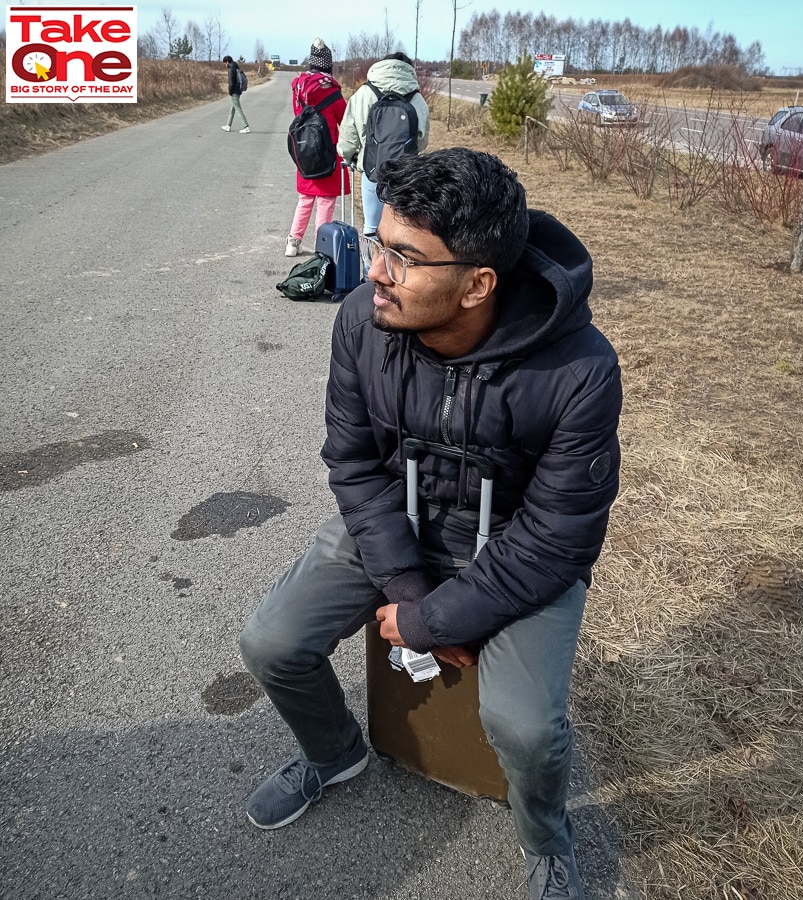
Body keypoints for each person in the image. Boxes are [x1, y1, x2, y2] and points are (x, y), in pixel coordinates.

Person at [239, 147, 622, 900]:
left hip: (515, 552)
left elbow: (558, 536)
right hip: (399, 530)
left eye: (405, 259)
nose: (376, 270)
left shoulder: (580, 370)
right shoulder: (362, 320)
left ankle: (546, 841)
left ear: (479, 284)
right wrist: (410, 593)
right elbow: (352, 464)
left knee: (525, 727)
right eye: (380, 244)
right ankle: (335, 752)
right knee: (271, 642)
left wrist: (438, 618)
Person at [337, 52, 430, 240]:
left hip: (373, 170)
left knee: (371, 225)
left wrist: (349, 156)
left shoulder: (364, 93)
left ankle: (370, 268)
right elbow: (422, 141)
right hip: (406, 174)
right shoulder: (417, 98)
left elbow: (348, 137)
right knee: (401, 228)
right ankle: (396, 267)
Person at [285, 38, 349, 258]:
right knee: (326, 201)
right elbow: (345, 118)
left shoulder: (299, 88)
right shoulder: (332, 91)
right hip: (327, 152)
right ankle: (322, 246)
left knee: (305, 199)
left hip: (305, 151)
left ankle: (293, 242)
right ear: (328, 66)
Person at [221, 55, 250, 133]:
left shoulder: (231, 69)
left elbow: (231, 82)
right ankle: (228, 125)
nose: (225, 65)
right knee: (233, 108)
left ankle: (246, 126)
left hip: (234, 91)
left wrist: (230, 91)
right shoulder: (236, 67)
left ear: (227, 62)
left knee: (238, 109)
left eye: (225, 63)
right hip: (238, 90)